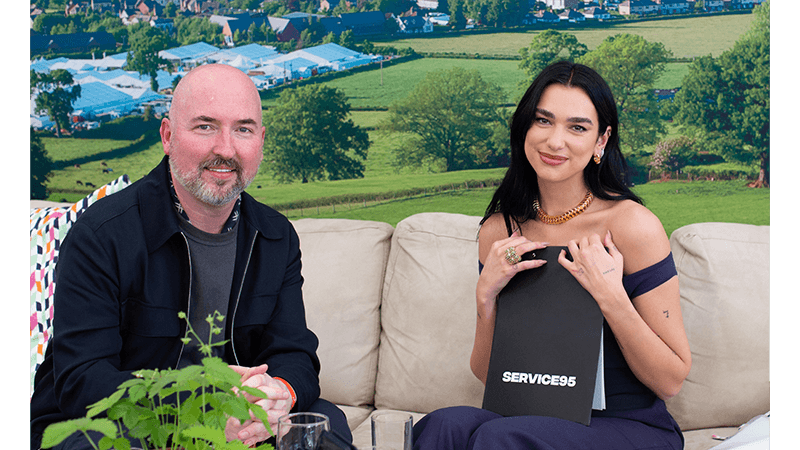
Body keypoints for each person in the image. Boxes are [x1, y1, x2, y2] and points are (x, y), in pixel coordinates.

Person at [30, 64, 351, 450]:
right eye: (205, 126)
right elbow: (83, 380)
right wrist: (200, 409)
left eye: (243, 129)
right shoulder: (100, 235)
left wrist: (278, 392)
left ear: (261, 141)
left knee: (326, 423)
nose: (226, 149)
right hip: (124, 425)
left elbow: (294, 351)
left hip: (236, 419)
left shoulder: (275, 235)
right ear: (168, 136)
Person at [412, 61, 692, 449]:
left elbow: (671, 379)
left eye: (577, 127)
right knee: (443, 425)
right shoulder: (500, 230)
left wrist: (610, 295)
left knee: (500, 436)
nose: (555, 141)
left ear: (601, 140)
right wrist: (485, 296)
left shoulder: (632, 226)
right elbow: (488, 376)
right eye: (543, 121)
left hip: (629, 426)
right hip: (532, 414)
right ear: (524, 128)